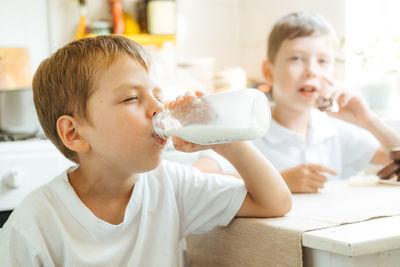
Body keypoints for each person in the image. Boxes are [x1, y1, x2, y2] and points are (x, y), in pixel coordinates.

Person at [0, 35, 291, 266]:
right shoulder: (35, 223)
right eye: (131, 98)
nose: (158, 108)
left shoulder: (172, 186)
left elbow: (274, 202)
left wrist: (226, 141)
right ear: (75, 134)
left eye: (158, 95)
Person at [193, 11, 400, 193]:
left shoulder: (334, 131)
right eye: (296, 59)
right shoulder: (246, 131)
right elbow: (199, 179)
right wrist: (282, 181)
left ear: (332, 73)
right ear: (268, 72)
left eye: (322, 61)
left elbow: (396, 162)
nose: (311, 71)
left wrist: (368, 120)